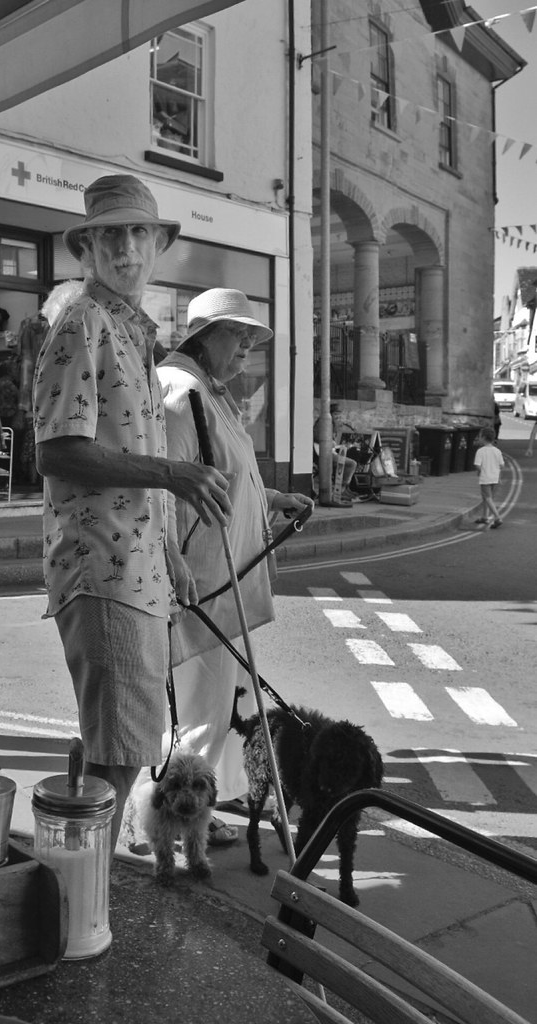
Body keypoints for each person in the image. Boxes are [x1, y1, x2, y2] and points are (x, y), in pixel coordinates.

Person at [33, 175, 232, 848]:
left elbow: (129, 445)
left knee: (108, 744)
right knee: (120, 755)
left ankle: (75, 893)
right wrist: (174, 473)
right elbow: (59, 451)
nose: (124, 246)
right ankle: (86, 909)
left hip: (135, 567)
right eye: (108, 234)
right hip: (105, 567)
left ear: (157, 244)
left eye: (136, 232)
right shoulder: (83, 321)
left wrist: (170, 551)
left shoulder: (130, 331)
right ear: (87, 248)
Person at [156, 288, 314, 844]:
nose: (248, 344)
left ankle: (200, 811)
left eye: (252, 335)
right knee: (201, 708)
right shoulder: (180, 393)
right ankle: (173, 826)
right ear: (202, 337)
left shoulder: (213, 393)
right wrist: (174, 567)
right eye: (237, 333)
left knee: (223, 706)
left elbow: (224, 474)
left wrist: (269, 498)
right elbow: (162, 493)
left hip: (229, 587)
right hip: (204, 587)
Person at [312, 401, 356, 502]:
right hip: (322, 454)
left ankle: (344, 489)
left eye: (339, 415)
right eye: (336, 414)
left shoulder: (332, 424)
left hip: (328, 451)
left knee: (347, 461)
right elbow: (319, 437)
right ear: (330, 414)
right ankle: (342, 489)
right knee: (351, 464)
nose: (338, 417)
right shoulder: (323, 423)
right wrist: (331, 443)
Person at [473, 426, 504, 529]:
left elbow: (478, 465)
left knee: (488, 498)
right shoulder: (497, 451)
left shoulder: (480, 451)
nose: (479, 438)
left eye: (480, 436)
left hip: (485, 478)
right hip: (494, 478)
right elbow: (502, 465)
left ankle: (497, 517)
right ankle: (484, 516)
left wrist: (479, 472)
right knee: (485, 497)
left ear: (484, 437)